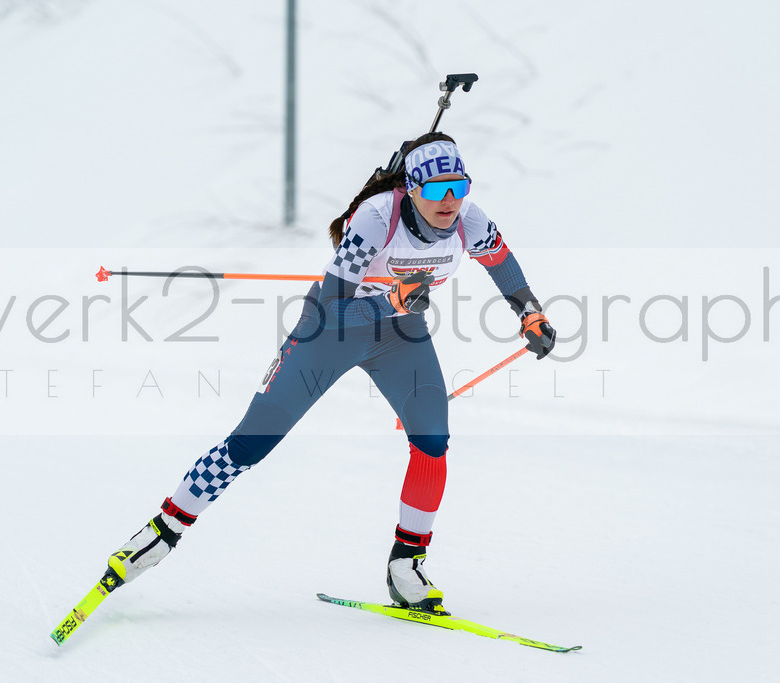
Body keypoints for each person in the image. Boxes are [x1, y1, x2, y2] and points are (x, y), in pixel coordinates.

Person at [105, 132, 557, 613]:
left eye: (458, 187)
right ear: (411, 188)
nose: (448, 201)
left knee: (432, 439)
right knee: (252, 442)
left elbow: (503, 266)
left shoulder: (470, 221)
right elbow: (331, 309)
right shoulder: (377, 218)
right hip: (331, 332)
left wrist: (530, 312)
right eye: (434, 190)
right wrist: (389, 300)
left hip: (399, 336)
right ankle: (161, 532)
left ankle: (407, 564)